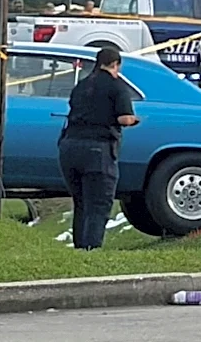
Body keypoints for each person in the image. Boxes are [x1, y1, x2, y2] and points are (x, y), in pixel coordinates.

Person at [57, 47, 139, 250]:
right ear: (116, 64)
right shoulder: (116, 86)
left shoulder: (82, 85)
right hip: (98, 150)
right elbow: (124, 118)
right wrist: (135, 120)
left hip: (69, 148)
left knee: (81, 203)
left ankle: (79, 249)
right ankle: (91, 250)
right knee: (98, 205)